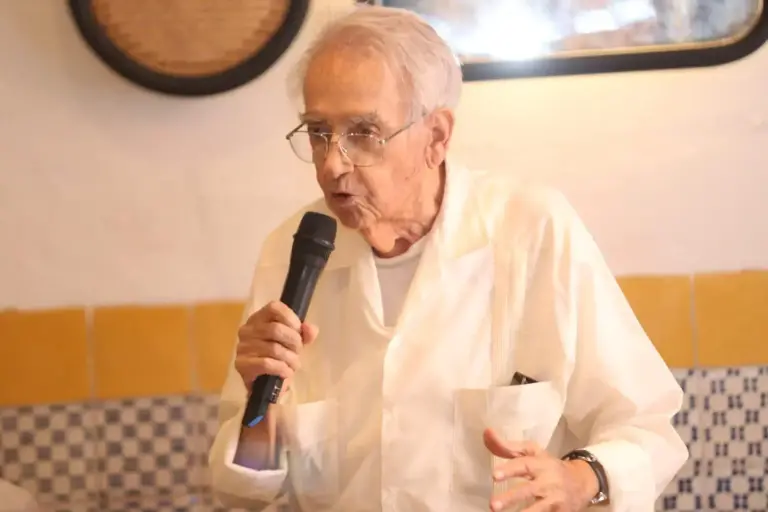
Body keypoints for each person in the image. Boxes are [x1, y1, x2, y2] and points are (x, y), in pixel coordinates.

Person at [208, 5, 688, 511]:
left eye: (363, 133)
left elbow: (647, 429)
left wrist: (578, 478)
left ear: (436, 137)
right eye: (318, 132)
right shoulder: (291, 250)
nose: (331, 164)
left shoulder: (532, 230)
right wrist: (260, 407)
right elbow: (247, 490)